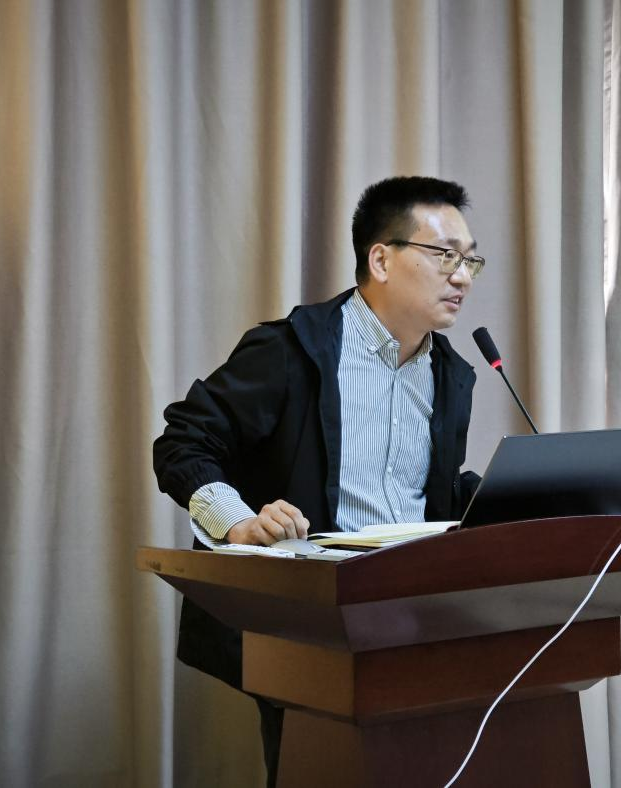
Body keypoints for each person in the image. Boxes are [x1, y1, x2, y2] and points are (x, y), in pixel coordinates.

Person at [152, 175, 484, 786]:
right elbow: (184, 441)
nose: (462, 276)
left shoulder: (451, 375)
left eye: (470, 261)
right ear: (380, 260)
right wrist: (238, 523)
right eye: (445, 255)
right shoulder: (293, 351)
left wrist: (510, 497)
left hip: (415, 621)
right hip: (312, 623)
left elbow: (425, 491)